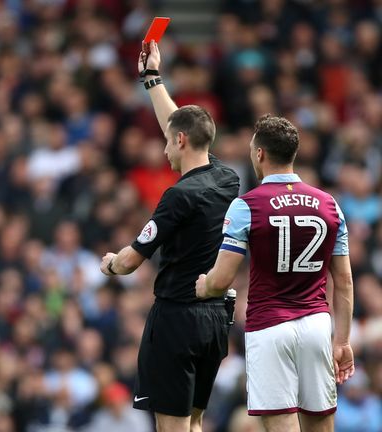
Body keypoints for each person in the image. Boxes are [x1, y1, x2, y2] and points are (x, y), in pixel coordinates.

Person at [98, 41, 240, 432]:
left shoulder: (177, 196)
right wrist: (152, 78)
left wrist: (109, 264)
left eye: (167, 140)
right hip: (215, 319)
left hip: (177, 318)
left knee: (172, 428)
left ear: (179, 142)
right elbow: (178, 125)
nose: (162, 148)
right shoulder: (228, 179)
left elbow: (130, 262)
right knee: (194, 423)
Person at [195, 115, 355, 432]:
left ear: (259, 154)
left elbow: (221, 279)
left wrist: (204, 286)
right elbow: (345, 281)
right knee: (321, 424)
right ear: (292, 154)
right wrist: (343, 340)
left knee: (281, 424)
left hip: (268, 327)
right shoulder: (329, 205)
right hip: (316, 326)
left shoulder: (247, 205)